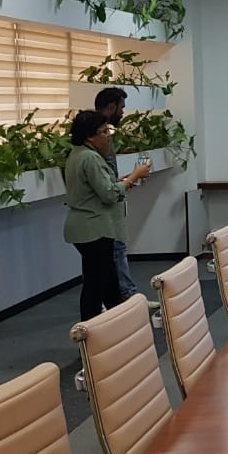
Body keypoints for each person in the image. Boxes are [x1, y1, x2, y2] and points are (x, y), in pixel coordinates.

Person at [64, 110, 152, 320]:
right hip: (94, 228)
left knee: (107, 282)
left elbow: (99, 187)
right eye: (103, 132)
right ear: (89, 136)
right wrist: (133, 177)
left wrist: (124, 181)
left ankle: (116, 325)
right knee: (96, 285)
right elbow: (109, 194)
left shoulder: (76, 154)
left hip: (86, 227)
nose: (108, 136)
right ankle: (91, 329)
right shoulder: (90, 158)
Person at [94, 87, 159, 310]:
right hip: (102, 211)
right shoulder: (93, 142)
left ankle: (124, 296)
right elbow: (101, 183)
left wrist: (126, 179)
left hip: (113, 204)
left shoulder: (103, 136)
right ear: (111, 107)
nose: (123, 112)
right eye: (121, 108)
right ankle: (117, 300)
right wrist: (132, 178)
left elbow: (106, 177)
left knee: (117, 250)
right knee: (111, 254)